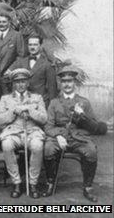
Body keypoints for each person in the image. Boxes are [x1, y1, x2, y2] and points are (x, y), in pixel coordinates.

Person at [43, 66, 106, 202]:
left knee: (91, 151)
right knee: (48, 148)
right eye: (64, 81)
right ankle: (50, 183)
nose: (67, 84)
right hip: (59, 138)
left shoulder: (84, 102)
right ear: (60, 83)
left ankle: (88, 187)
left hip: (79, 138)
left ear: (74, 83)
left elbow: (94, 126)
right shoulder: (54, 103)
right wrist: (58, 136)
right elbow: (48, 126)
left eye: (70, 81)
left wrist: (83, 117)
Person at [0, 68, 47, 199]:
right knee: (6, 145)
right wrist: (14, 110)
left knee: (37, 146)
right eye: (17, 82)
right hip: (13, 133)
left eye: (23, 81)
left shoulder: (37, 98)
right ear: (13, 83)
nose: (20, 85)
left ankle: (33, 183)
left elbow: (44, 118)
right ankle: (16, 183)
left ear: (28, 83)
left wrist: (29, 110)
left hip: (32, 132)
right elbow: (0, 120)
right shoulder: (5, 99)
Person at [8, 35, 57, 107]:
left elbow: (52, 89)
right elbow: (8, 74)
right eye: (30, 45)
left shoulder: (48, 64)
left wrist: (51, 108)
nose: (32, 47)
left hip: (40, 104)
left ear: (40, 45)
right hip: (22, 104)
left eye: (35, 44)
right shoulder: (20, 62)